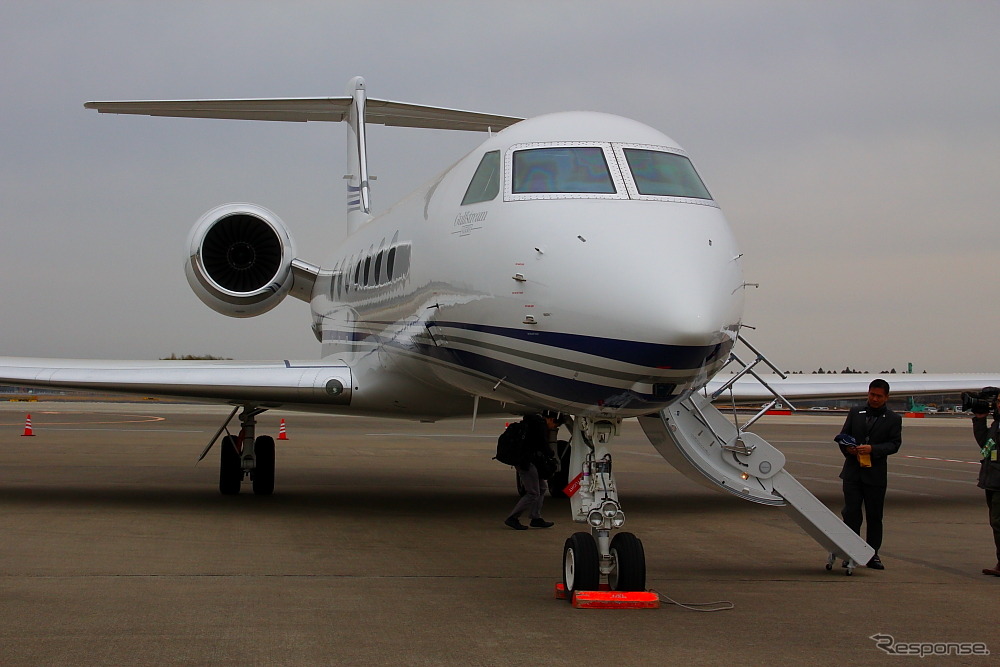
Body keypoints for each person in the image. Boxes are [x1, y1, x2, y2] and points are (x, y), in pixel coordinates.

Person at [835, 378, 902, 569]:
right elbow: (843, 436)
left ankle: (872, 554)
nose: (874, 399)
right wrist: (848, 449)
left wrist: (873, 449)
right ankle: (850, 552)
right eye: (872, 394)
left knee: (874, 516)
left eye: (879, 396)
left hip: (875, 475)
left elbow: (894, 444)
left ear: (886, 397)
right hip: (853, 473)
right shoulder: (856, 412)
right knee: (851, 513)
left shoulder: (893, 419)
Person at [504, 413, 558, 530]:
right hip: (526, 463)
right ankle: (513, 518)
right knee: (533, 492)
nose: (553, 428)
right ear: (551, 419)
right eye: (554, 425)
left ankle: (536, 518)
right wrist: (551, 454)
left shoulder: (532, 425)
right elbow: (542, 445)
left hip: (529, 461)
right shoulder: (540, 427)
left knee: (542, 487)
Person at [971, 389, 1000, 576]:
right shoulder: (997, 425)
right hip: (992, 480)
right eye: (998, 401)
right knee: (996, 522)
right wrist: (980, 419)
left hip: (998, 482)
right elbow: (985, 445)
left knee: (998, 522)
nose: (999, 404)